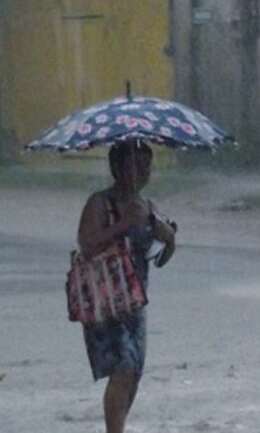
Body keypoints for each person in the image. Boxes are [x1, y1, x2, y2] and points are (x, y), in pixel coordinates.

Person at [76, 140, 177, 433]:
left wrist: (169, 238)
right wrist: (124, 224)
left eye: (147, 165)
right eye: (135, 165)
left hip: (136, 301)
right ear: (117, 168)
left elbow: (158, 259)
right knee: (122, 370)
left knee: (134, 372)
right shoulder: (100, 202)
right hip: (106, 298)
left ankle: (117, 425)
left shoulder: (147, 206)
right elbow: (87, 246)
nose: (142, 172)